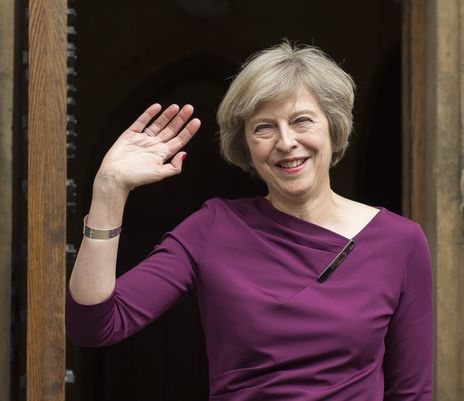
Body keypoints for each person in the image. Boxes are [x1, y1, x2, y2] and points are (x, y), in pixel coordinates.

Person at [66, 41, 433, 400]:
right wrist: (109, 190)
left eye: (301, 120)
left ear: (333, 127)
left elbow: (412, 392)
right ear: (246, 145)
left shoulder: (400, 242)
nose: (286, 142)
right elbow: (94, 326)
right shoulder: (213, 228)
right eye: (264, 128)